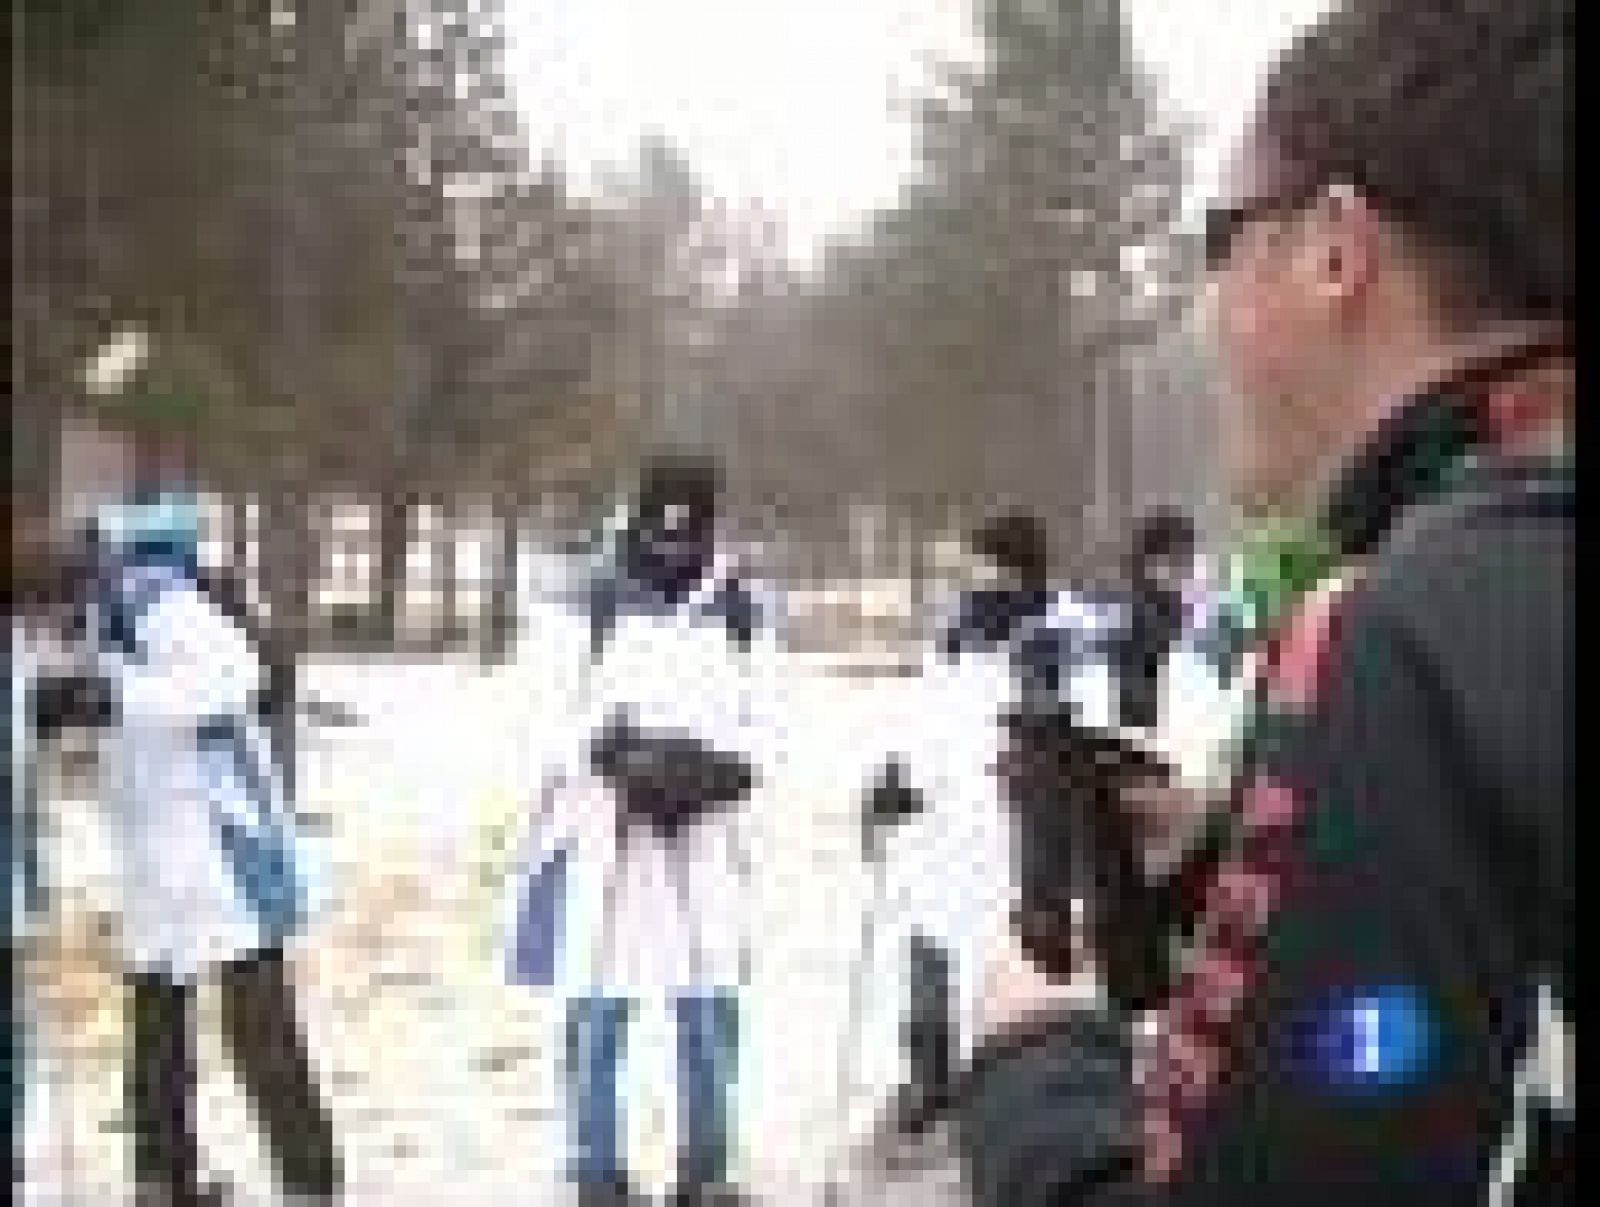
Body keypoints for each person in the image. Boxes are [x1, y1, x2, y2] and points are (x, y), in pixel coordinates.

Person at [1125, 2, 1572, 1202]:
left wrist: (1032, 1070)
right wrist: (1252, 856)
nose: (1208, 307)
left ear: (1334, 249)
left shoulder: (1411, 628)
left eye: (1218, 240)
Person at [504, 453, 773, 1207]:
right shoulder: (588, 599)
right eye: (662, 529)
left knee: (709, 1003)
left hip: (703, 837)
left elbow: (766, 714)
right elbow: (538, 710)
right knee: (598, 1002)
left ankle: (706, 1168)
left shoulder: (738, 608)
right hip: (605, 832)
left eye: (690, 531)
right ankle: (596, 1169)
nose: (674, 546)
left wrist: (722, 771)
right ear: (641, 518)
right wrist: (610, 753)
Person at [79, 459, 340, 1207]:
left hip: (224, 850)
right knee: (157, 1028)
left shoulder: (167, 602)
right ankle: (164, 1178)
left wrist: (110, 695)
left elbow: (236, 678)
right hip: (155, 850)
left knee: (256, 1027)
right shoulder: (106, 611)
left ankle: (308, 1180)